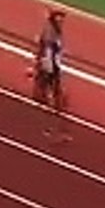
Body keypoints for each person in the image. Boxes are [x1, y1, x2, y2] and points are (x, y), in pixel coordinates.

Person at [30, 8, 70, 141]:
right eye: (59, 18)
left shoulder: (54, 30)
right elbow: (47, 51)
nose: (61, 21)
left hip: (51, 65)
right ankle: (52, 128)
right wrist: (48, 66)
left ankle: (52, 126)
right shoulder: (50, 32)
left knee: (51, 92)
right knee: (52, 94)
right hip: (49, 66)